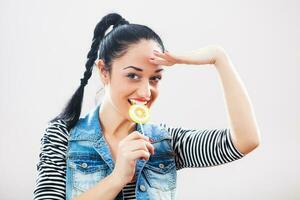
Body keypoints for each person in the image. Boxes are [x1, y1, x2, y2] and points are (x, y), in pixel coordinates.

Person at [33, 12, 261, 200]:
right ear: (104, 71)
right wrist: (118, 178)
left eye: (155, 78)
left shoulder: (166, 143)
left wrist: (219, 58)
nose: (145, 92)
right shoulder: (61, 136)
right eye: (133, 75)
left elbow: (245, 141)